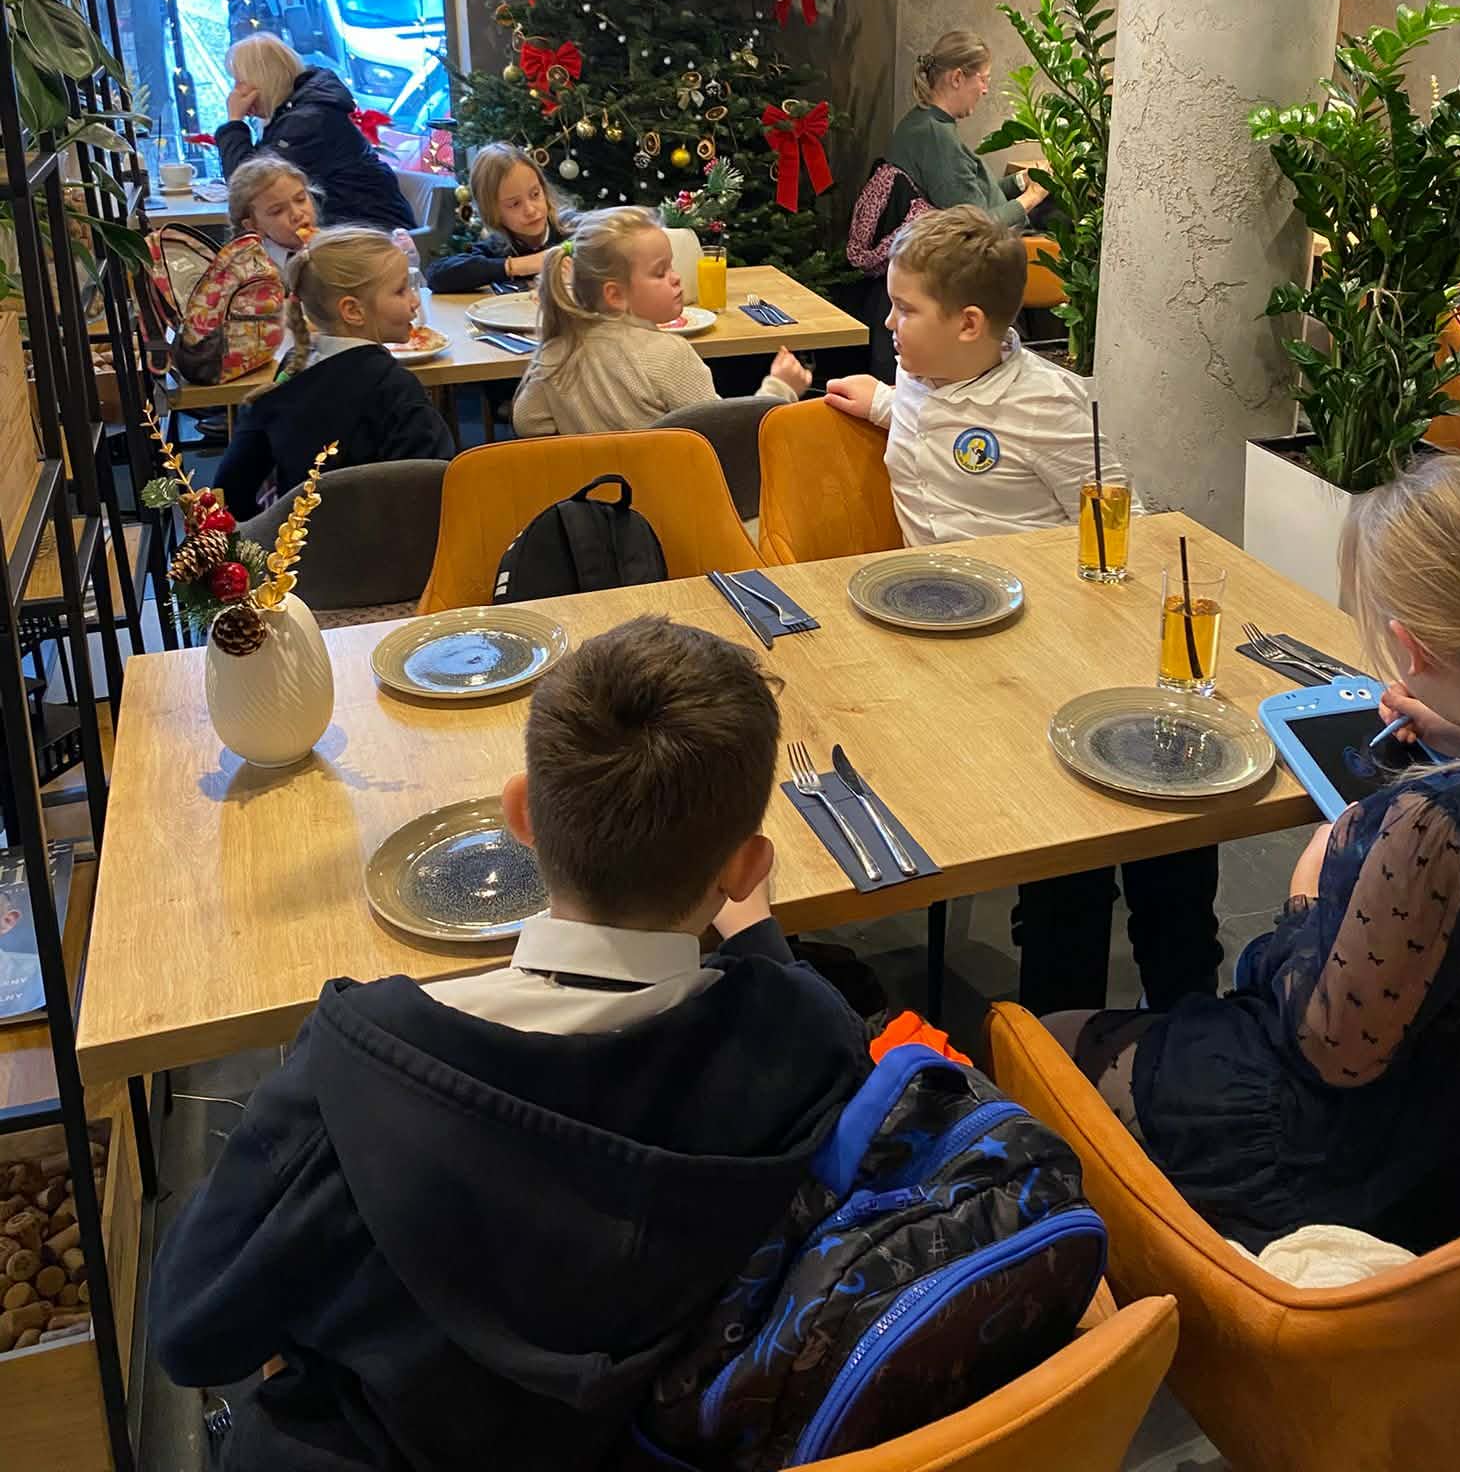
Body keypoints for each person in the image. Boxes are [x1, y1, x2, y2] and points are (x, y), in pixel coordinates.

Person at [149, 616, 868, 1472]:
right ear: (747, 868)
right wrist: (755, 939)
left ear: (520, 813)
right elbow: (799, 1012)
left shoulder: (356, 1075)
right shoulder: (803, 1043)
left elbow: (190, 1334)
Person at [1050, 453, 1460, 1252]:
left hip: (1386, 1162)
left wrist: (1305, 898)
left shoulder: (1435, 826)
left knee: (1052, 1037)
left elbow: (1334, 1052)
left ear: (1410, 649)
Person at [826, 206, 1220, 1015]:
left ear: (970, 324)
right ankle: (1059, 1024)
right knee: (1064, 859)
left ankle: (1183, 1013)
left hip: (1045, 645)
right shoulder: (921, 375)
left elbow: (1124, 527)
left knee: (1158, 825)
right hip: (937, 650)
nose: (888, 324)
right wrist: (881, 404)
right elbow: (936, 423)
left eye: (903, 309)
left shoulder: (1048, 406)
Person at [214, 226, 453, 520]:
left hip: (297, 541)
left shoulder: (293, 366)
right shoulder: (394, 387)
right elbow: (435, 486)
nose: (414, 300)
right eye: (400, 290)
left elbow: (230, 487)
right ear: (353, 311)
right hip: (379, 544)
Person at [512, 206, 809, 437]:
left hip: (593, 497)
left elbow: (527, 422)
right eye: (660, 272)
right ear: (615, 295)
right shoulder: (668, 356)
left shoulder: (555, 353)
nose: (675, 277)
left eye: (671, 266)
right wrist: (780, 389)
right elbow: (727, 436)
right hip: (672, 496)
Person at [217, 34, 414, 235]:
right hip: (354, 226)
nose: (235, 92)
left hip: (368, 237)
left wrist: (235, 120)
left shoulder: (307, 122)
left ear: (262, 81)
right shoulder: (304, 108)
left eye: (239, 82)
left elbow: (248, 186)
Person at [885, 32, 1049, 233]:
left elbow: (968, 194)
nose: (985, 90)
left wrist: (1021, 181)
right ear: (957, 78)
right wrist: (1032, 196)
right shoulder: (936, 139)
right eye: (983, 79)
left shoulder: (922, 122)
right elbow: (975, 227)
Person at [425, 143, 568, 293]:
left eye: (535, 194)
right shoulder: (497, 247)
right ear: (493, 212)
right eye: (514, 204)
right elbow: (435, 276)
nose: (530, 210)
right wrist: (520, 265)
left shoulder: (572, 229)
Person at [225, 156, 318, 275]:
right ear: (253, 226)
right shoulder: (251, 273)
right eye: (277, 211)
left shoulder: (333, 247)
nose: (297, 214)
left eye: (301, 199)